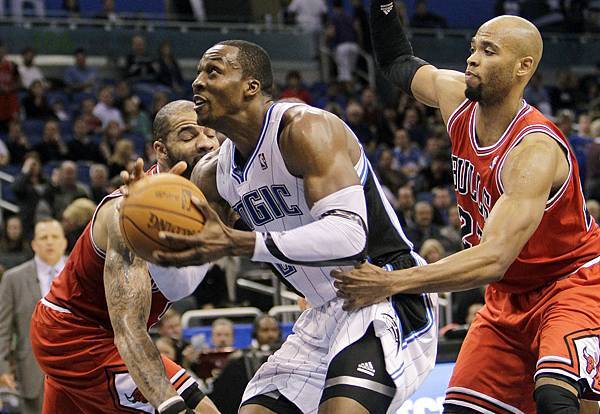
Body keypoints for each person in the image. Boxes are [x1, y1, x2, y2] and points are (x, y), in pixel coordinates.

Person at [332, 2, 600, 413]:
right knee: (461, 408)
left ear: (523, 67)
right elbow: (396, 61)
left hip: (571, 284)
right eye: (474, 47)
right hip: (507, 296)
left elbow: (492, 259)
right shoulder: (454, 96)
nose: (473, 58)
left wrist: (392, 282)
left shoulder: (534, 150)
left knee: (555, 396)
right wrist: (383, 6)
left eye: (489, 51)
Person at [150, 39, 437, 414]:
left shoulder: (304, 128)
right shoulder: (212, 174)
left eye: (213, 71)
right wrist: (148, 232)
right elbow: (181, 282)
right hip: (321, 311)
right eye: (199, 72)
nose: (197, 81)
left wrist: (242, 242)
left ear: (251, 86)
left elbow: (349, 236)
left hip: (383, 290)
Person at [29, 100, 220, 414]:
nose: (206, 142)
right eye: (188, 135)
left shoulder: (214, 192)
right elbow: (128, 328)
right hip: (77, 335)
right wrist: (170, 406)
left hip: (102, 333)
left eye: (211, 133)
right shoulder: (129, 213)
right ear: (160, 150)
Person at [0, 219, 67, 414]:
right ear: (34, 244)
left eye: (54, 237)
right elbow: (3, 328)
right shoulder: (13, 278)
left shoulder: (83, 272)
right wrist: (3, 368)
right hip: (31, 372)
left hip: (79, 370)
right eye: (43, 238)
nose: (49, 242)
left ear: (64, 242)